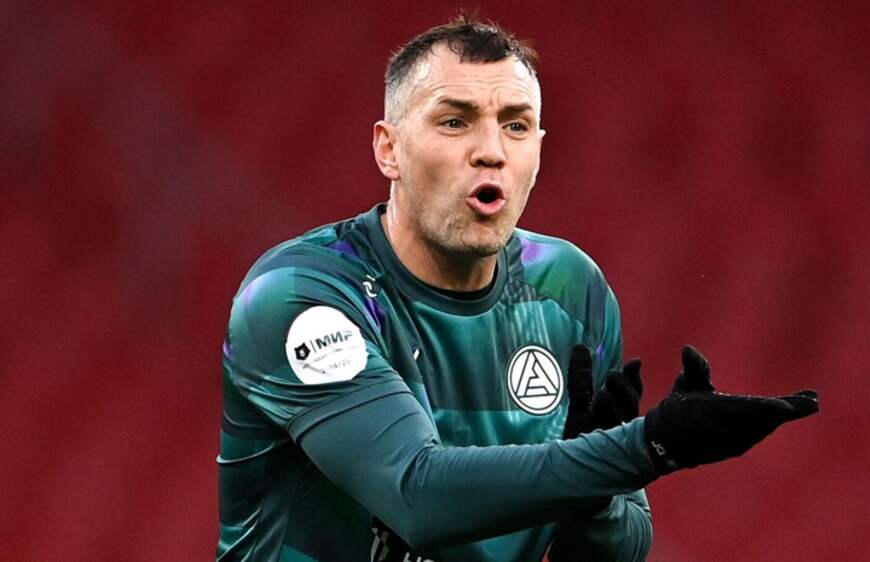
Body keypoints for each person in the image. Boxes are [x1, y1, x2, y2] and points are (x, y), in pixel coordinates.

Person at [216, 15, 819, 562]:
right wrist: (649, 446)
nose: (491, 152)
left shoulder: (568, 290)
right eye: (454, 122)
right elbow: (418, 497)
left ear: (539, 149)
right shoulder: (299, 295)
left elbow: (616, 550)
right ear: (389, 149)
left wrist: (594, 497)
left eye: (516, 126)